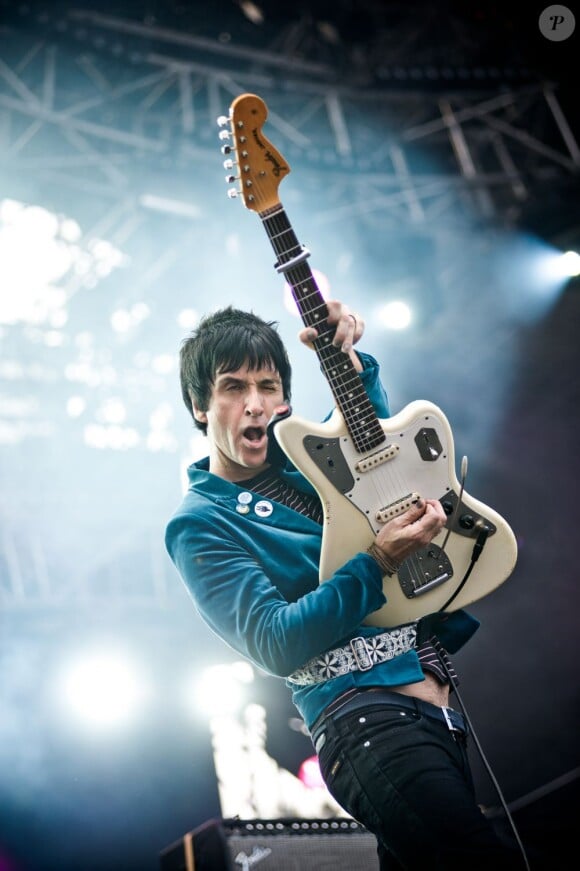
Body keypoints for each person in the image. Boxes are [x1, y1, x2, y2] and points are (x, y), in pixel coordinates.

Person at [165, 299, 526, 870]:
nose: (254, 404)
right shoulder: (199, 523)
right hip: (365, 724)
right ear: (200, 406)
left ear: (285, 399)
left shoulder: (309, 466)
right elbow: (275, 642)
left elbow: (387, 473)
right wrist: (376, 562)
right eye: (233, 387)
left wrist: (351, 364)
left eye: (267, 385)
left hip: (435, 708)